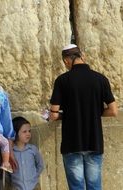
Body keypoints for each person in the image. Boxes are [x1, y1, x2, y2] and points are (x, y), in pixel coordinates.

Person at [49, 44, 118, 190]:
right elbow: (113, 111)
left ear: (67, 60)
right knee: (94, 186)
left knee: (76, 187)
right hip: (94, 142)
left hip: (71, 143)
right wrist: (93, 111)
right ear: (82, 56)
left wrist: (66, 115)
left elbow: (53, 114)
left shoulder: (62, 80)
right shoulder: (100, 79)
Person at [9, 116, 44, 190]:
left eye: (29, 131)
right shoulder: (11, 152)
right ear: (15, 133)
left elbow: (40, 165)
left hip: (34, 186)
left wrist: (35, 177)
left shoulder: (32, 149)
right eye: (24, 131)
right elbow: (7, 172)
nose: (28, 134)